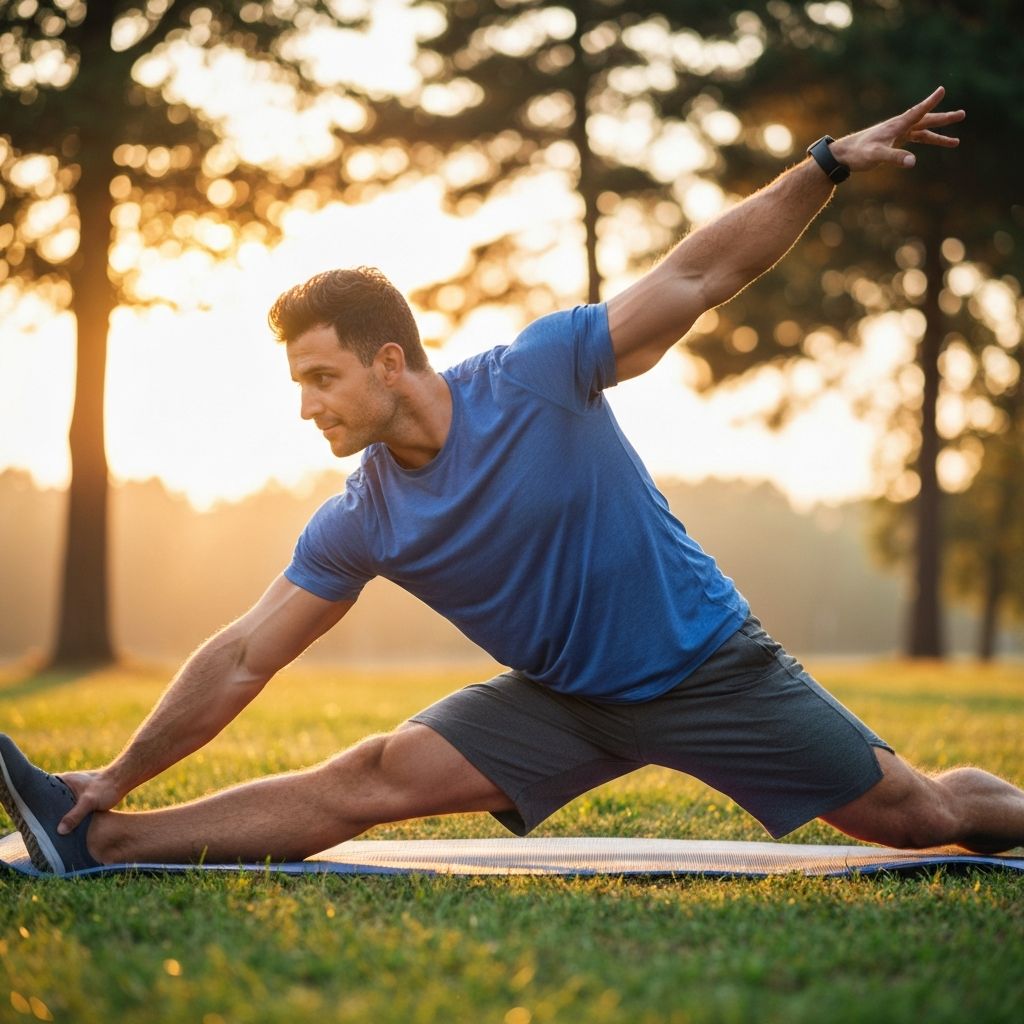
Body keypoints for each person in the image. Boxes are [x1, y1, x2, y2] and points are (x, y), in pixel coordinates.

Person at [3, 86, 1023, 876]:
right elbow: (239, 658)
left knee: (919, 814)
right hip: (563, 702)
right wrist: (118, 773)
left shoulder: (537, 374)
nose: (307, 406)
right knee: (367, 777)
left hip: (709, 667)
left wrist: (825, 163)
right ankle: (98, 835)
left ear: (389, 362)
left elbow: (698, 276)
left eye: (321, 378)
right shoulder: (363, 517)